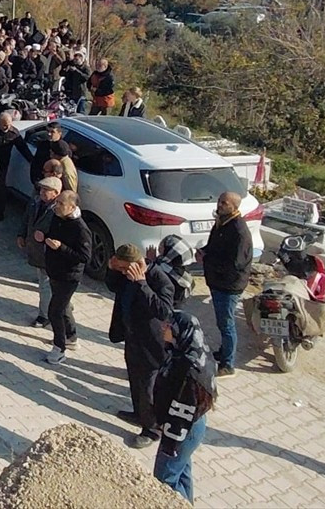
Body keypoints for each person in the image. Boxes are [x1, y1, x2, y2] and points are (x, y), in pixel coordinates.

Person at [106, 243, 175, 448]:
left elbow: (163, 311)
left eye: (123, 268)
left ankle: (152, 429)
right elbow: (113, 286)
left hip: (152, 343)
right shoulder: (125, 274)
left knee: (148, 387)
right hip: (132, 337)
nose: (122, 272)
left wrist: (142, 284)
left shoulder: (158, 278)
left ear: (135, 265)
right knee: (134, 379)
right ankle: (139, 414)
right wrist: (112, 270)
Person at [153, 311, 217, 503]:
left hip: (182, 430)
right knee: (181, 472)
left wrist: (169, 443)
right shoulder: (193, 350)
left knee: (165, 481)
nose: (163, 327)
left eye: (169, 326)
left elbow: (182, 410)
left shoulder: (188, 370)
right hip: (192, 425)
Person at [198, 191, 251, 377]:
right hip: (217, 281)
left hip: (229, 285)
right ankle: (223, 352)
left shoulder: (238, 231)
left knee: (227, 324)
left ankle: (228, 365)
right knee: (222, 323)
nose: (219, 205)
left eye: (224, 203)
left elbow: (235, 263)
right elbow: (213, 247)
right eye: (219, 201)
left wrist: (210, 261)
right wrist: (204, 252)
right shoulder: (221, 222)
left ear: (234, 207)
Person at [41, 189, 91, 364]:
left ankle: (59, 348)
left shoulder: (80, 228)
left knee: (54, 311)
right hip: (54, 270)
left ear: (72, 207)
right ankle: (71, 337)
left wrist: (60, 247)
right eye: (57, 202)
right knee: (64, 307)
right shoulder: (58, 217)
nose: (56, 206)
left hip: (69, 277)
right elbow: (53, 235)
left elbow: (84, 257)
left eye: (61, 203)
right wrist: (44, 238)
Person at [17, 177, 61, 328]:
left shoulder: (59, 210)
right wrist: (21, 234)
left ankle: (45, 316)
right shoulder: (35, 202)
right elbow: (26, 219)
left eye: (46, 190)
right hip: (36, 251)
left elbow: (62, 233)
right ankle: (60, 306)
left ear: (56, 193)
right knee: (45, 283)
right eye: (41, 189)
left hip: (49, 254)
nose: (42, 192)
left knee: (45, 284)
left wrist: (47, 238)